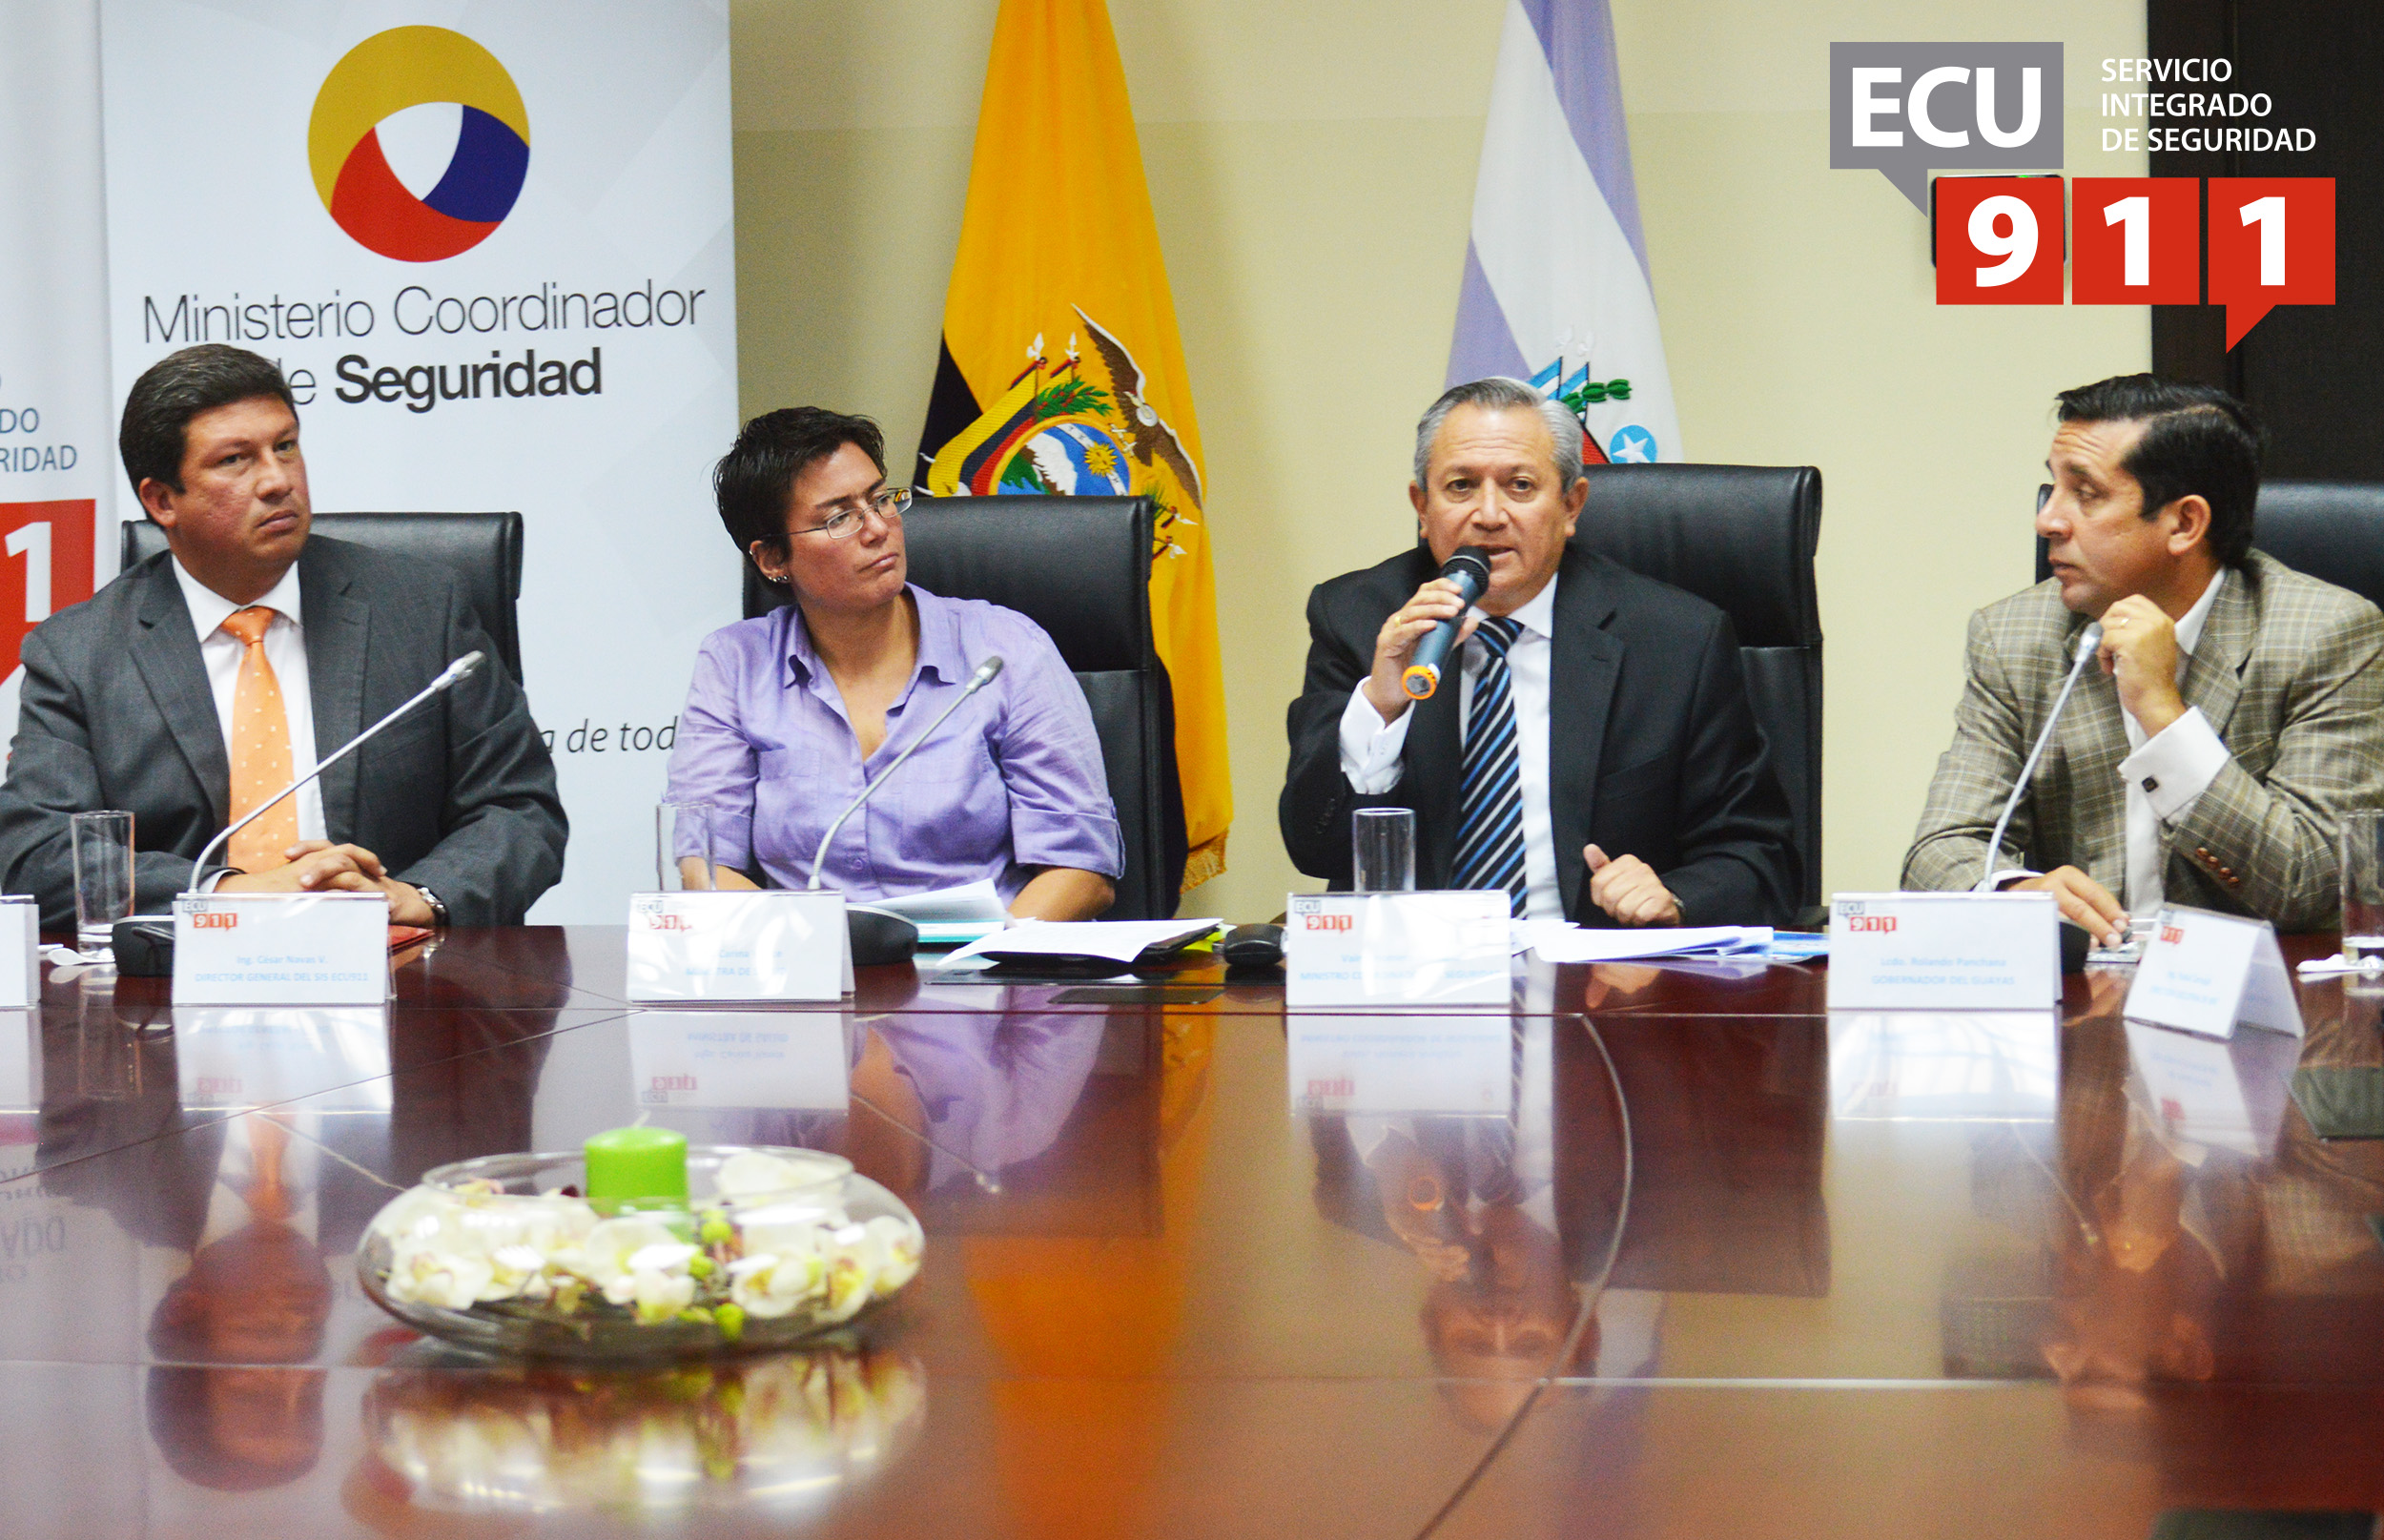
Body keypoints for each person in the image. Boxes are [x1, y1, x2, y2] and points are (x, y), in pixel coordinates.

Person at [0, 343, 565, 929]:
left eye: (286, 447)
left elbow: (519, 808)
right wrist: (228, 893)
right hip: (180, 974)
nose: (277, 481)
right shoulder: (80, 654)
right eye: (235, 460)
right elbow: (37, 854)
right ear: (162, 501)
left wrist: (418, 896)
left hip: (397, 962)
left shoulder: (424, 609)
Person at [1280, 377, 1799, 927]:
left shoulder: (1677, 639)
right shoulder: (1361, 621)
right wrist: (1382, 706)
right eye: (1460, 486)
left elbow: (1762, 858)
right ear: (1422, 507)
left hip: (1598, 969)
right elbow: (1314, 850)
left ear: (1571, 505)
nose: (1488, 514)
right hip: (1417, 963)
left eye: (1520, 486)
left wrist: (1674, 897)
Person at [1903, 375, 2384, 939]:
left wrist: (2164, 714)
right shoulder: (2014, 637)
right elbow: (1938, 851)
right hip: (2087, 982)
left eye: (2086, 493)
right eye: (2054, 487)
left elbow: (2311, 883)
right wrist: (2013, 895)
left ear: (2184, 523)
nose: (2047, 521)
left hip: (2259, 985)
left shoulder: (2325, 636)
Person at [664, 407, 1121, 918]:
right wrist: (815, 951)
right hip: (813, 958)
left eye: (880, 499)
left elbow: (1080, 867)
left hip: (988, 958)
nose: (879, 528)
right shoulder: (735, 664)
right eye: (840, 517)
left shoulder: (1007, 649)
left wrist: (984, 957)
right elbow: (705, 864)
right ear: (773, 559)